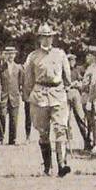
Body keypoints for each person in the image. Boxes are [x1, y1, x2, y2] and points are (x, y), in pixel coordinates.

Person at [26, 24, 72, 177]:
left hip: (58, 93)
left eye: (50, 36)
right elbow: (28, 80)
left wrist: (66, 90)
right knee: (43, 132)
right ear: (39, 38)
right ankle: (47, 166)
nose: (47, 39)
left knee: (60, 129)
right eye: (44, 36)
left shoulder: (60, 54)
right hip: (40, 96)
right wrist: (29, 96)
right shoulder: (33, 56)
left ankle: (62, 165)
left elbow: (67, 77)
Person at [0, 45, 23, 146]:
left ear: (15, 55)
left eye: (12, 54)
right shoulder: (0, 68)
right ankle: (0, 138)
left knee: (14, 119)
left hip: (15, 96)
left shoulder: (19, 68)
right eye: (8, 54)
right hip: (3, 96)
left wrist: (21, 93)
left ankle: (12, 140)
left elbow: (21, 82)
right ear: (5, 55)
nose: (10, 56)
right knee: (2, 117)